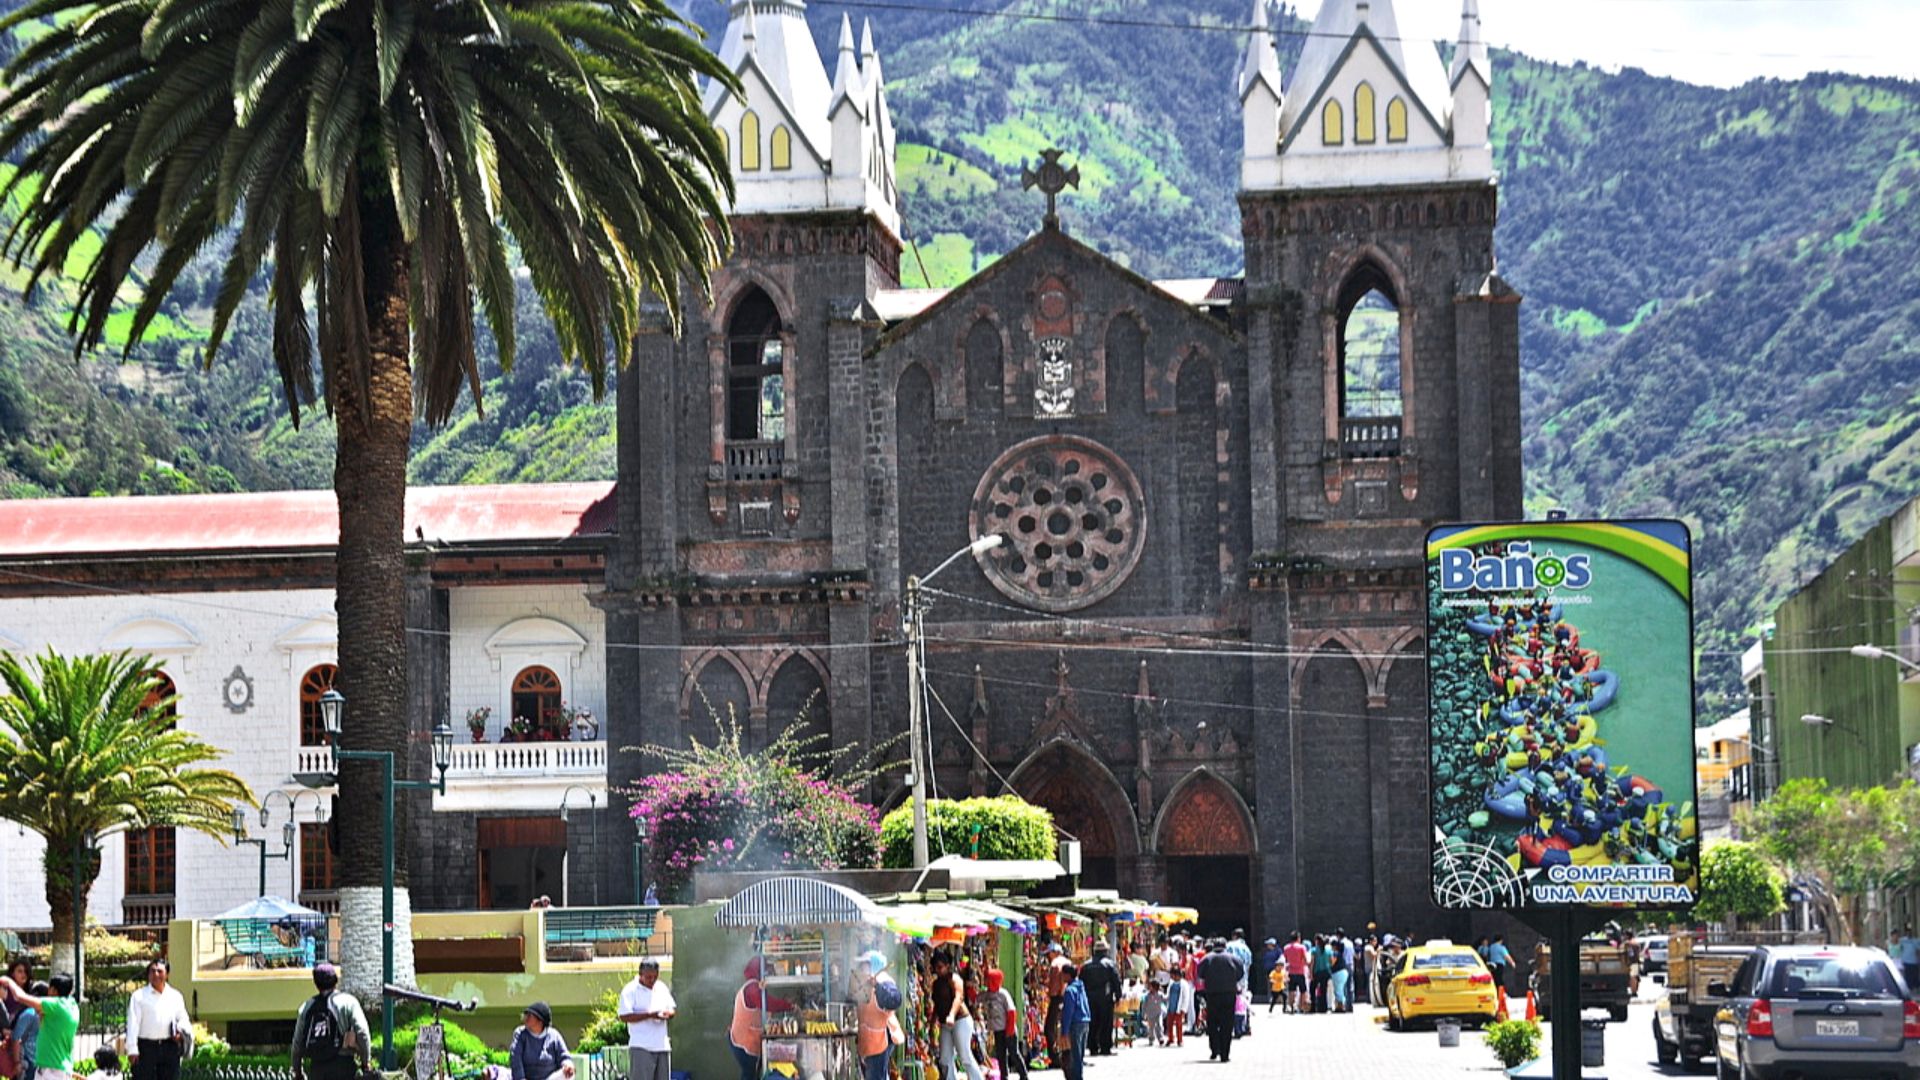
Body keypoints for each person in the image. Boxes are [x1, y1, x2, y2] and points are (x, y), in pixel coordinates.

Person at [291, 964, 369, 1080]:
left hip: (317, 1068)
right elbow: (362, 1033)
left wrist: (298, 1071)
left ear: (316, 984)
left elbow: (297, 1043)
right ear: (336, 981)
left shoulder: (307, 1007)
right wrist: (365, 1062)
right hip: (343, 1065)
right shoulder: (348, 1002)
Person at [728, 958, 792, 1080]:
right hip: (743, 1043)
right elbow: (768, 1004)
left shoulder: (754, 987)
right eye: (767, 970)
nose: (768, 973)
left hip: (744, 1040)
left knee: (752, 1074)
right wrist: (789, 1006)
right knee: (749, 1074)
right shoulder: (752, 989)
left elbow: (765, 1008)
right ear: (759, 971)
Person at [126, 959, 190, 1080]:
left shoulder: (175, 996)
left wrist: (180, 1033)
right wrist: (132, 1049)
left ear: (167, 974)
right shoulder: (139, 996)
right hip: (146, 1048)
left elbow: (183, 1018)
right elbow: (133, 1024)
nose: (156, 975)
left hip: (169, 1047)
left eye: (160, 971)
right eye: (152, 971)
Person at [0, 976, 74, 1080]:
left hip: (52, 1070)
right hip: (55, 1068)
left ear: (53, 990)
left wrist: (9, 982)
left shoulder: (55, 1005)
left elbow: (19, 997)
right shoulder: (72, 1005)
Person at [616, 959, 675, 1080]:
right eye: (649, 977)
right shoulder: (630, 990)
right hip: (641, 1046)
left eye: (655, 976)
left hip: (662, 1045)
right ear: (640, 974)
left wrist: (667, 1014)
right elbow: (624, 1016)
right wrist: (649, 1015)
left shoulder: (661, 987)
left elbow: (672, 1008)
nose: (652, 980)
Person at [929, 952, 983, 1080]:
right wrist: (932, 1024)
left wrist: (952, 1015)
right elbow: (937, 1004)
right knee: (945, 1058)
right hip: (945, 1024)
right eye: (935, 967)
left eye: (940, 967)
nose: (938, 970)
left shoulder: (954, 979)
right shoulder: (936, 984)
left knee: (965, 1056)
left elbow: (959, 998)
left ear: (947, 966)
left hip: (960, 1021)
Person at [854, 952, 904, 1080]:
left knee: (876, 1076)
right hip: (869, 1038)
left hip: (881, 1037)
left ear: (873, 965)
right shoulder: (864, 982)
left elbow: (895, 1000)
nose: (861, 968)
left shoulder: (884, 981)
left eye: (864, 964)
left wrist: (877, 985)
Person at [1194, 940, 1241, 1063]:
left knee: (1213, 1022)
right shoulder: (1233, 958)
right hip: (1229, 994)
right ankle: (1225, 1054)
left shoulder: (1206, 958)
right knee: (1227, 1023)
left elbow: (1200, 973)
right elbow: (1240, 973)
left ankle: (1215, 1049)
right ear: (1225, 946)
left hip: (1212, 994)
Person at [976, 969, 1024, 1080]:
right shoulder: (987, 994)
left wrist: (1010, 1030)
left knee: (1014, 1053)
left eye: (988, 980)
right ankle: (1004, 1076)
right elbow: (976, 999)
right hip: (998, 1031)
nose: (986, 982)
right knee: (1001, 1055)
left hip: (1008, 1030)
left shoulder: (1003, 994)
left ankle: (1023, 1075)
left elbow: (1011, 1012)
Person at [508, 1002, 574, 1080]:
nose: (525, 1018)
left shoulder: (554, 1035)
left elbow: (564, 1056)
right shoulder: (520, 1034)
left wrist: (568, 1065)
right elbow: (515, 1059)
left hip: (550, 1078)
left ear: (540, 1021)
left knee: (568, 1074)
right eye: (526, 1015)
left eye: (529, 1016)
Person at [1077, 943, 1121, 1056]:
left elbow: (1080, 982)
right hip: (1105, 998)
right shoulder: (1110, 964)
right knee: (1106, 1023)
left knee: (1092, 1023)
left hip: (1090, 998)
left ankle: (1093, 1047)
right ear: (1105, 952)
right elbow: (1116, 981)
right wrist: (1118, 996)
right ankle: (1105, 1047)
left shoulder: (1086, 965)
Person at [1058, 966, 1090, 1080]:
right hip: (1085, 1022)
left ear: (1067, 975)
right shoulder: (1081, 987)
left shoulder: (1069, 990)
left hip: (1075, 1023)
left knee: (1075, 1057)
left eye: (1062, 974)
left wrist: (1064, 1031)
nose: (1061, 977)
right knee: (1079, 1056)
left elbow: (1068, 1011)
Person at [8, 979, 43, 1080]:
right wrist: (17, 1062)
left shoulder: (45, 1015)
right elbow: (15, 1038)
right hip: (28, 1061)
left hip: (39, 1062)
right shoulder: (29, 1014)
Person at [1041, 943, 1071, 1058]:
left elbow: (1054, 986)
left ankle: (1054, 1056)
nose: (1048, 957)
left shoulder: (1055, 964)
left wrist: (1050, 994)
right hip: (1067, 997)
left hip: (1057, 998)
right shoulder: (1067, 962)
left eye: (1049, 954)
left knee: (1049, 1027)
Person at [1280, 933, 1309, 1014]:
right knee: (1303, 990)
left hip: (1291, 971)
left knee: (1291, 990)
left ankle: (1292, 1007)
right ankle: (1302, 1007)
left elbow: (1285, 960)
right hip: (1300, 971)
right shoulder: (1302, 947)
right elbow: (1305, 959)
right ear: (1298, 938)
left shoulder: (1286, 948)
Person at [1163, 970, 1186, 1047]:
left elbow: (1185, 997)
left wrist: (1183, 1008)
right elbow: (1168, 995)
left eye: (1175, 975)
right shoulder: (1171, 983)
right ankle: (1170, 1038)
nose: (1173, 977)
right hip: (1171, 1007)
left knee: (1179, 1025)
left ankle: (1180, 1040)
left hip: (1179, 1008)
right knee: (1169, 1024)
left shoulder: (1183, 985)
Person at [1893, 926, 1920, 991]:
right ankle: (1908, 988)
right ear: (1906, 933)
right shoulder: (1902, 940)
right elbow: (1895, 943)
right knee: (1907, 977)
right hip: (1905, 961)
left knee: (1914, 976)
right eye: (1907, 932)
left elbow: (1918, 951)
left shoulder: (1916, 940)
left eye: (1910, 932)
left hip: (1914, 961)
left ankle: (1915, 988)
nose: (1909, 934)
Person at [1139, 978, 1164, 1046]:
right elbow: (1144, 1005)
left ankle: (1160, 1038)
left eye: (1151, 986)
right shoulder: (1147, 996)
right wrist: (1143, 1013)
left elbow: (1165, 1000)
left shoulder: (1160, 995)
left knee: (1159, 1025)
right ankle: (1151, 1038)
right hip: (1150, 1014)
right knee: (1151, 1027)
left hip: (1158, 1013)